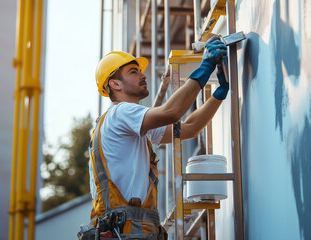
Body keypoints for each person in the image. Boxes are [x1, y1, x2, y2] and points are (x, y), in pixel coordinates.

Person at [87, 36, 228, 240]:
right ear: (115, 84)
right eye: (133, 72)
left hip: (133, 230)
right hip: (127, 231)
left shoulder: (132, 126)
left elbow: (188, 128)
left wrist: (219, 94)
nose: (143, 75)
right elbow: (171, 112)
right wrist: (205, 66)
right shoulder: (120, 113)